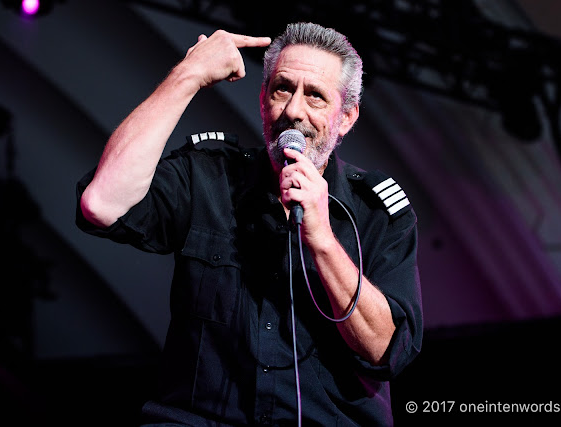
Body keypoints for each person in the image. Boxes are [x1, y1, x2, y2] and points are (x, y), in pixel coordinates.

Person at [76, 22, 422, 426]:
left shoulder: (376, 212)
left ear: (345, 118)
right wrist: (187, 76)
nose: (294, 110)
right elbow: (101, 205)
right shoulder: (209, 175)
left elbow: (386, 350)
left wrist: (323, 240)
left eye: (315, 97)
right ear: (262, 101)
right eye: (282, 89)